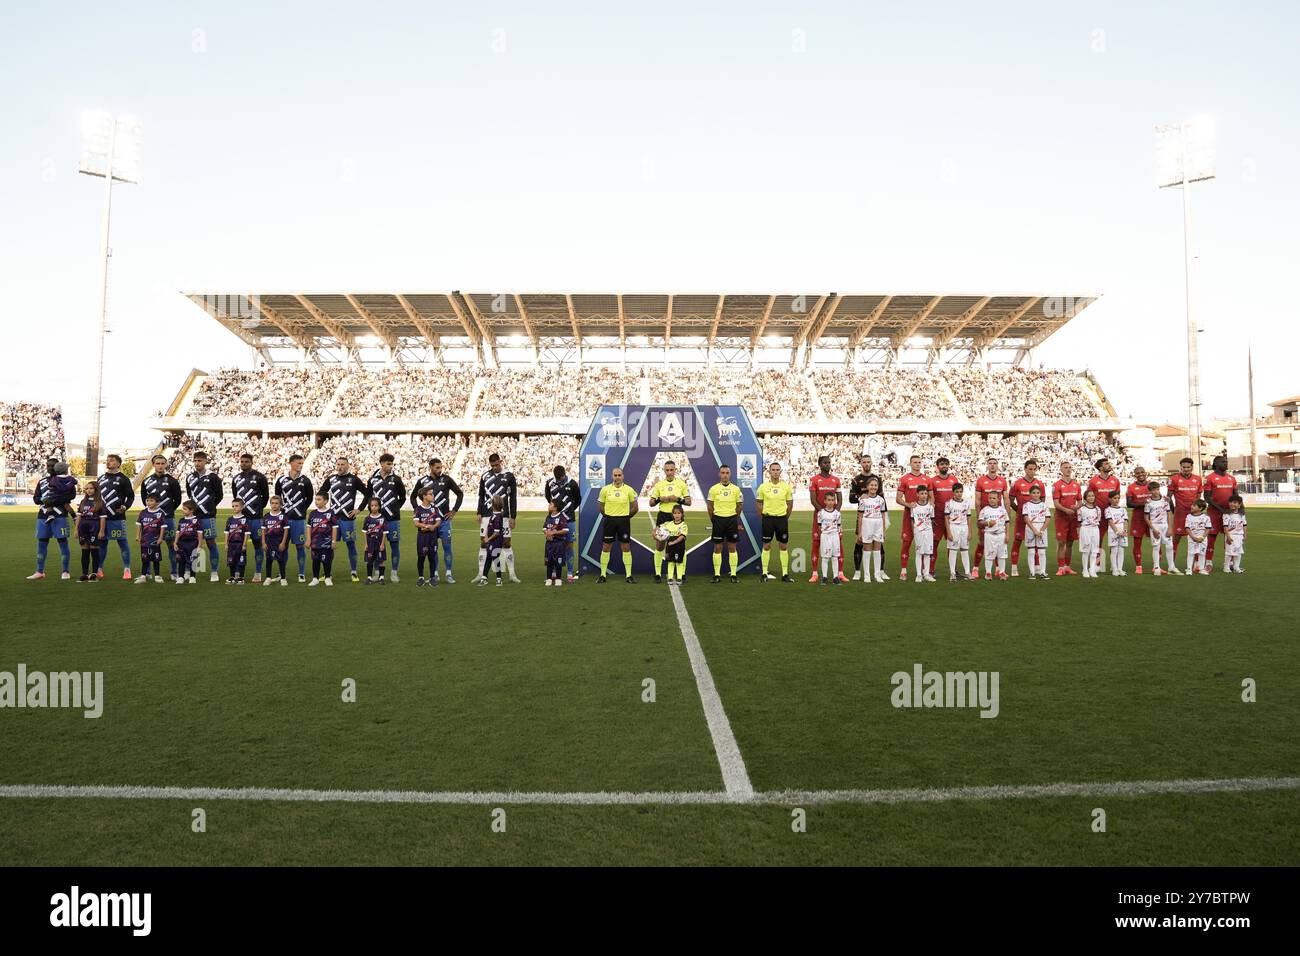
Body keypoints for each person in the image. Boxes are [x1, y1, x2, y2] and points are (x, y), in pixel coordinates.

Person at [410, 457, 463, 584]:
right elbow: (412, 496)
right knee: (432, 548)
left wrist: (454, 510)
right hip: (430, 523)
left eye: (441, 467)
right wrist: (416, 510)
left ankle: (449, 573)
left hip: (444, 520)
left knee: (447, 547)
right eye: (437, 467)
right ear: (431, 467)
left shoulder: (446, 479)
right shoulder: (422, 481)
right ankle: (435, 574)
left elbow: (459, 493)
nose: (440, 470)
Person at [322, 455, 371, 583]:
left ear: (348, 465)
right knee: (329, 546)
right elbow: (322, 493)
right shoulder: (331, 479)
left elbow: (367, 494)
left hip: (348, 519)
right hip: (332, 520)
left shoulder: (354, 479)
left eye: (343, 464)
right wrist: (325, 509)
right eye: (338, 464)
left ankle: (353, 572)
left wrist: (359, 509)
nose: (340, 467)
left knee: (351, 544)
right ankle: (328, 573)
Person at [29, 458, 78, 581]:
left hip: (60, 515)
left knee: (62, 543)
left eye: (52, 465)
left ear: (57, 467)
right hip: (43, 516)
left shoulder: (67, 481)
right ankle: (40, 571)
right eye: (47, 465)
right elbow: (36, 499)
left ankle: (65, 571)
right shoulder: (42, 481)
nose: (49, 467)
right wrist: (43, 500)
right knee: (42, 544)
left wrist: (53, 501)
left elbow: (71, 496)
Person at [476, 453, 519, 583]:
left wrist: (513, 516)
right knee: (484, 543)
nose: (495, 467)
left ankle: (512, 574)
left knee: (506, 543)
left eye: (497, 464)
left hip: (503, 516)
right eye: (492, 465)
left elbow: (513, 498)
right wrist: (479, 512)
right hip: (486, 515)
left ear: (501, 461)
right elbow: (481, 495)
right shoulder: (485, 476)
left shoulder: (509, 476)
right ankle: (480, 573)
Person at [140, 454, 183, 581]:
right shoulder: (146, 481)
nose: (160, 466)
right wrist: (152, 512)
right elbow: (144, 499)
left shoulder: (172, 481)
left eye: (162, 463)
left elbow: (178, 499)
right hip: (150, 520)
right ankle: (146, 572)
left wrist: (167, 511)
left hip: (168, 518)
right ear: (153, 465)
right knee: (148, 545)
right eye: (157, 463)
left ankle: (174, 572)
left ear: (166, 464)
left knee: (171, 545)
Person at [649, 461, 691, 584]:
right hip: (663, 516)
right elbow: (651, 503)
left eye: (671, 470)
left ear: (675, 470)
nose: (669, 472)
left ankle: (682, 574)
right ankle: (657, 574)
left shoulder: (681, 484)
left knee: (680, 545)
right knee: (660, 545)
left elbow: (688, 502)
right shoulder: (659, 485)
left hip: (677, 517)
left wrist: (677, 499)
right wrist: (658, 499)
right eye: (667, 470)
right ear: (664, 470)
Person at [185, 449, 224, 582]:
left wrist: (209, 507)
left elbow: (219, 495)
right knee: (194, 543)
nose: (197, 463)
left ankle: (214, 571)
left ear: (205, 461)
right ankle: (196, 569)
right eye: (195, 460)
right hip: (194, 517)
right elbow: (190, 495)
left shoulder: (213, 477)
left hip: (208, 516)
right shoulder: (190, 476)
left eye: (200, 460)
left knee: (211, 542)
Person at [367, 453, 407, 583]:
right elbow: (369, 497)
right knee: (375, 546)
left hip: (392, 519)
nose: (390, 466)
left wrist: (395, 509)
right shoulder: (373, 479)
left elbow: (403, 497)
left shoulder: (396, 479)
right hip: (376, 520)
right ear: (382, 464)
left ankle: (394, 572)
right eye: (388, 464)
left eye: (392, 464)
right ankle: (377, 572)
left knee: (394, 545)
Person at [275, 454, 314, 583]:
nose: (300, 465)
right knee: (283, 546)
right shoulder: (281, 480)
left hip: (299, 519)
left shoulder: (306, 480)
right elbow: (277, 497)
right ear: (290, 463)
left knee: (300, 546)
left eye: (302, 463)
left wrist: (301, 510)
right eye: (298, 463)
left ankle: (301, 573)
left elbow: (309, 498)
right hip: (284, 519)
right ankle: (282, 573)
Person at [847, 454, 888, 577]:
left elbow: (882, 497)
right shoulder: (856, 479)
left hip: (876, 516)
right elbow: (851, 498)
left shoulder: (877, 479)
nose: (866, 464)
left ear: (871, 463)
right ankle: (858, 571)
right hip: (864, 516)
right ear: (861, 464)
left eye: (868, 462)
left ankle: (881, 571)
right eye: (864, 462)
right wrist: (861, 497)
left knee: (879, 543)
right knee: (860, 542)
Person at [231, 453, 270, 582]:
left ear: (252, 462)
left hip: (255, 518)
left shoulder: (260, 477)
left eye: (246, 461)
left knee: (257, 544)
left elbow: (265, 496)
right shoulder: (236, 478)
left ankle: (258, 572)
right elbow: (235, 496)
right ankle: (237, 572)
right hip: (240, 519)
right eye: (242, 461)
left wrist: (257, 509)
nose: (243, 463)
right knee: (238, 545)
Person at [96, 453, 135, 580]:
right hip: (101, 517)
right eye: (107, 461)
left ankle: (127, 569)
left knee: (122, 542)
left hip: (117, 517)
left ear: (118, 464)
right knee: (102, 543)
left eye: (112, 461)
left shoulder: (123, 479)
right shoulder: (101, 478)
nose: (108, 462)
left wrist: (125, 507)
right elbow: (96, 496)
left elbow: (130, 496)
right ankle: (99, 569)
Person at [596, 467, 637, 583]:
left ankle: (629, 575)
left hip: (624, 521)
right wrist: (609, 516)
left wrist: (626, 517)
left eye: (619, 475)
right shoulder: (605, 490)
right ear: (612, 476)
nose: (617, 477)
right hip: (610, 521)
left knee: (626, 547)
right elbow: (601, 507)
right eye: (615, 475)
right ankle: (602, 575)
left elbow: (635, 507)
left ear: (623, 476)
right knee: (606, 547)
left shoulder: (629, 490)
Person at [756, 460, 794, 583]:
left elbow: (789, 503)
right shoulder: (763, 487)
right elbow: (758, 503)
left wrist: (785, 517)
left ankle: (785, 574)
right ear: (769, 472)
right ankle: (764, 573)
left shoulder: (786, 486)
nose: (775, 472)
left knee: (783, 546)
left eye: (778, 470)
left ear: (780, 472)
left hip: (781, 519)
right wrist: (763, 517)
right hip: (768, 519)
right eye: (773, 470)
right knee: (766, 546)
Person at [1007, 459, 1046, 578]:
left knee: (1036, 541)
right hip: (1021, 519)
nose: (1032, 471)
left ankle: (1037, 567)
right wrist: (1019, 510)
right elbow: (1010, 499)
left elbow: (1042, 501)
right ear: (1025, 469)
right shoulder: (1017, 483)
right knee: (1018, 540)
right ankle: (1014, 567)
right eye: (1030, 469)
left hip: (1035, 520)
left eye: (1034, 469)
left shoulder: (1040, 484)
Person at [808, 456, 844, 583]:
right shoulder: (814, 480)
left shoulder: (836, 480)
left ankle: (839, 573)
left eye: (829, 462)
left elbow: (840, 499)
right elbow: (813, 500)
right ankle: (815, 573)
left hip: (833, 519)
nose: (827, 465)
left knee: (838, 544)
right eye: (825, 463)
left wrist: (835, 513)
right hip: (819, 516)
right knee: (816, 543)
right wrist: (823, 513)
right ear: (820, 464)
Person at [544, 465, 581, 582]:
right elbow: (548, 497)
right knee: (554, 545)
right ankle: (554, 571)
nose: (560, 480)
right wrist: (556, 511)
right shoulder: (549, 483)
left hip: (569, 519)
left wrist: (568, 510)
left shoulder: (572, 483)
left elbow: (578, 499)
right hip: (554, 519)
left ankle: (570, 572)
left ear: (565, 474)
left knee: (569, 545)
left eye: (562, 478)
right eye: (558, 478)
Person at [972, 458, 1008, 579]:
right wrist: (978, 517)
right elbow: (977, 500)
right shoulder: (981, 480)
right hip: (985, 515)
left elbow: (1006, 499)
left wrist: (1007, 514)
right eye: (990, 464)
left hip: (998, 515)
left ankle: (998, 569)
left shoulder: (1002, 481)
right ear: (987, 466)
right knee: (982, 543)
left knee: (999, 542)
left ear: (997, 466)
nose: (992, 466)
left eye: (994, 464)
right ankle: (975, 569)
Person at [707, 464, 743, 583]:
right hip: (718, 520)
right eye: (723, 473)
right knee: (718, 547)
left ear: (730, 474)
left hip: (731, 520)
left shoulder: (736, 489)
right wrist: (714, 519)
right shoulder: (713, 489)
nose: (725, 475)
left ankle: (733, 574)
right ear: (719, 474)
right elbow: (710, 506)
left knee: (732, 547)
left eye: (727, 473)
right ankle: (717, 575)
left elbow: (739, 505)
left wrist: (734, 518)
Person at [895, 454, 929, 581]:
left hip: (923, 518)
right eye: (915, 462)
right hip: (909, 517)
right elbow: (898, 498)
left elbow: (931, 497)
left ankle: (925, 572)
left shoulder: (927, 479)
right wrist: (908, 504)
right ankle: (903, 570)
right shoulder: (904, 479)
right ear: (910, 464)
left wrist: (928, 509)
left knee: (924, 544)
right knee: (907, 542)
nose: (917, 464)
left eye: (919, 462)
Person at [1202, 456, 1239, 570]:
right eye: (1223, 462)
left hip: (1229, 513)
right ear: (1216, 464)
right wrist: (1221, 509)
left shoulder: (1232, 478)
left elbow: (1236, 496)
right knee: (1211, 537)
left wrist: (1239, 509)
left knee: (1230, 537)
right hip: (1214, 513)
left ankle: (1231, 563)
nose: (1226, 463)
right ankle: (1208, 562)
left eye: (1226, 461)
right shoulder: (1209, 478)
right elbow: (1207, 498)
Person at [1086, 459, 1121, 575]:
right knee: (1098, 540)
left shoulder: (1115, 481)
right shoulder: (1093, 481)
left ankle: (1114, 565)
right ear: (1100, 468)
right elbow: (1088, 497)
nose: (1109, 465)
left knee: (1115, 539)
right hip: (1099, 515)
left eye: (1108, 463)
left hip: (1112, 514)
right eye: (1106, 464)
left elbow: (1117, 497)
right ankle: (1097, 563)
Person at [1166, 457, 1203, 566]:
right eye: (1184, 467)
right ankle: (1171, 564)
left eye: (1188, 467)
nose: (1186, 469)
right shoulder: (1174, 479)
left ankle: (1197, 564)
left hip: (1194, 515)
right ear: (1180, 467)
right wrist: (1174, 510)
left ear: (1192, 467)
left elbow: (1199, 496)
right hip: (1180, 514)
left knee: (1196, 537)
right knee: (1176, 538)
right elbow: (1169, 497)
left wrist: (1198, 510)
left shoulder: (1198, 479)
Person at [928, 456, 959, 578]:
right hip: (938, 518)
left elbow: (958, 496)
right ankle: (930, 570)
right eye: (942, 464)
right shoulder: (932, 481)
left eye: (946, 464)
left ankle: (953, 570)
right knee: (934, 544)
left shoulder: (954, 479)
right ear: (937, 466)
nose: (944, 466)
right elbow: (931, 499)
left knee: (952, 544)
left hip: (952, 518)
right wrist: (932, 516)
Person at [856, 474, 889, 583]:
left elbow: (883, 515)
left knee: (877, 550)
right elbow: (860, 516)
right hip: (867, 524)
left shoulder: (881, 500)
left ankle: (877, 575)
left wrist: (884, 530)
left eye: (875, 485)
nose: (873, 487)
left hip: (878, 525)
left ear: (878, 487)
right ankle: (867, 575)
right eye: (871, 485)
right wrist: (860, 532)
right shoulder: (863, 500)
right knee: (866, 550)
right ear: (867, 486)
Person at [1052, 461, 1082, 576]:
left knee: (1070, 543)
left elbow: (1080, 501)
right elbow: (1055, 503)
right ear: (1061, 470)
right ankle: (1060, 567)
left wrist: (1077, 507)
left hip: (1073, 517)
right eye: (1065, 467)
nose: (1068, 469)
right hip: (1061, 517)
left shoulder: (1076, 485)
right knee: (1061, 542)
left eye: (1070, 467)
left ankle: (1067, 566)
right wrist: (1065, 510)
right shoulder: (1057, 485)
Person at [75, 481, 107, 582]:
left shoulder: (100, 502)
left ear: (96, 490)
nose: (88, 490)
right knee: (84, 551)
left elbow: (102, 518)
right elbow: (79, 516)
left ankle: (94, 574)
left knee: (94, 551)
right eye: (87, 488)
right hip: (83, 528)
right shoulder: (83, 502)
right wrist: (76, 529)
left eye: (91, 488)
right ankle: (84, 574)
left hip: (95, 527)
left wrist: (101, 531)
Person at [1143, 481, 1177, 575]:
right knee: (1156, 546)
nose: (1156, 491)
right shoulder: (1148, 503)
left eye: (1157, 489)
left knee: (1170, 545)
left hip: (1165, 525)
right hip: (1155, 526)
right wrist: (1153, 529)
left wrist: (1170, 528)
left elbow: (1169, 514)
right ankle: (1156, 567)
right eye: (1154, 490)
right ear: (1150, 491)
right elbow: (1146, 517)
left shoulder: (1165, 501)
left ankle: (1171, 567)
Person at [306, 492, 338, 586]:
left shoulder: (331, 513)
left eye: (319, 500)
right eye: (316, 499)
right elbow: (308, 527)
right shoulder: (313, 513)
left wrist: (333, 541)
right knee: (315, 560)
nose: (316, 501)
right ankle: (315, 578)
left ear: (326, 501)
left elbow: (334, 527)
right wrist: (308, 539)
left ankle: (327, 577)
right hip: (315, 542)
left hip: (326, 542)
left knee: (326, 560)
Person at [413, 486, 443, 587]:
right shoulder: (418, 509)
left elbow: (439, 521)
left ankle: (432, 578)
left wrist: (433, 527)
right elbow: (416, 523)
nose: (433, 495)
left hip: (433, 537)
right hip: (422, 537)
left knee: (432, 557)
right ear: (424, 496)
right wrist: (426, 526)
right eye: (430, 494)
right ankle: (421, 577)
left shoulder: (435, 508)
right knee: (421, 557)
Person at [134, 492, 166, 584]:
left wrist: (160, 538)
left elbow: (163, 527)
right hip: (144, 540)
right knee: (144, 559)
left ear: (157, 502)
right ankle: (143, 576)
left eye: (151, 500)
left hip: (155, 541)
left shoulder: (160, 513)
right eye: (147, 500)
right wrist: (137, 536)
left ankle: (157, 576)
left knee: (156, 559)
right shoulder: (143, 512)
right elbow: (139, 525)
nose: (148, 502)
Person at [1125, 466, 1152, 574]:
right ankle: (1138, 566)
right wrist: (1143, 504)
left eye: (1142, 472)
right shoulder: (1131, 487)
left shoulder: (1152, 485)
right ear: (1134, 475)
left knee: (1156, 541)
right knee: (1137, 542)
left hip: (1152, 518)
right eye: (1137, 473)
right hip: (1138, 518)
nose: (1140, 474)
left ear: (1145, 473)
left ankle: (1157, 565)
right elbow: (1129, 503)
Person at [978, 488, 1010, 581]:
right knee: (989, 554)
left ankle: (1002, 572)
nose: (992, 500)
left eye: (994, 498)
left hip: (1001, 535)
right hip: (989, 535)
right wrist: (988, 523)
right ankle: (988, 573)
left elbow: (1007, 522)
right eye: (990, 498)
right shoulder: (985, 510)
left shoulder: (1002, 510)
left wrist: (1007, 535)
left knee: (1002, 555)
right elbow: (980, 522)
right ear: (988, 499)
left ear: (998, 499)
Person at [1021, 484, 1051, 580]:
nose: (1035, 494)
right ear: (1030, 494)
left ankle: (1042, 572)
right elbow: (1026, 518)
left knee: (1042, 552)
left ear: (1040, 494)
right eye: (1033, 493)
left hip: (1042, 527)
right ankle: (1032, 572)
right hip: (1031, 527)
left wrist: (1041, 530)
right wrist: (1034, 530)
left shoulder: (1044, 505)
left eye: (1037, 493)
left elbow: (1048, 519)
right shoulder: (1026, 505)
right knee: (1031, 551)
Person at [814, 490, 844, 586]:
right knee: (825, 557)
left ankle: (835, 577)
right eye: (829, 500)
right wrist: (823, 534)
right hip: (825, 536)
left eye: (832, 500)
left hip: (834, 536)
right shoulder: (821, 513)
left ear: (835, 501)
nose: (831, 502)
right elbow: (819, 526)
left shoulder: (837, 513)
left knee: (835, 557)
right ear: (825, 501)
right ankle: (824, 577)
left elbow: (839, 526)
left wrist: (838, 534)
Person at [944, 481, 972, 581]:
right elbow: (946, 518)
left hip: (964, 527)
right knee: (953, 550)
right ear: (953, 492)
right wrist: (949, 532)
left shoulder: (966, 503)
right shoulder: (949, 504)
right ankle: (952, 573)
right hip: (953, 527)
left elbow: (969, 518)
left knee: (965, 550)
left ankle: (968, 572)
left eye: (960, 491)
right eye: (957, 492)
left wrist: (970, 532)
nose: (959, 494)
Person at [477, 495, 507, 588]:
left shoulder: (498, 517)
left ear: (493, 504)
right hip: (492, 541)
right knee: (489, 558)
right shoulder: (494, 515)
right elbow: (490, 527)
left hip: (496, 541)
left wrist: (488, 539)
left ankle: (498, 579)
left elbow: (497, 532)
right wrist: (486, 535)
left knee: (495, 558)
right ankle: (484, 577)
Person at [261, 496, 291, 586]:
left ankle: (283, 578)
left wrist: (283, 543)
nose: (274, 505)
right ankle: (268, 578)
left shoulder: (283, 516)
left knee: (281, 560)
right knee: (269, 559)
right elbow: (263, 530)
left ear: (280, 505)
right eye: (272, 503)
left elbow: (286, 530)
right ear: (270, 504)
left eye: (276, 503)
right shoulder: (266, 516)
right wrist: (263, 542)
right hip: (269, 541)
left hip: (279, 541)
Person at [910, 485, 936, 583]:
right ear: (917, 494)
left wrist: (932, 531)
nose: (924, 495)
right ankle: (919, 575)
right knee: (919, 552)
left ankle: (926, 574)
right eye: (921, 493)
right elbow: (912, 520)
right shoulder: (914, 506)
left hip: (928, 531)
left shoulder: (930, 506)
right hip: (919, 532)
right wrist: (914, 531)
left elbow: (932, 520)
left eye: (925, 493)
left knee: (927, 553)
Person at [174, 501, 203, 584]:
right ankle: (180, 577)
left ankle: (192, 577)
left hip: (193, 543)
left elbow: (200, 533)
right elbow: (178, 532)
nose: (182, 510)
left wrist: (199, 545)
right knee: (181, 561)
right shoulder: (181, 520)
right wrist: (175, 542)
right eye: (183, 508)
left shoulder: (197, 520)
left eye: (185, 509)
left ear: (192, 510)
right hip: (181, 544)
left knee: (193, 561)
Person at [1076, 489, 1102, 579]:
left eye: (1093, 496)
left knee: (1094, 551)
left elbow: (1098, 520)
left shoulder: (1098, 509)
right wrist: (1079, 532)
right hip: (1085, 529)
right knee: (1086, 550)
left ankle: (1092, 569)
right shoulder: (1081, 509)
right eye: (1089, 496)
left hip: (1095, 529)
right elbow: (1079, 522)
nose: (1091, 498)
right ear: (1085, 498)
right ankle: (1085, 569)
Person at [542, 499, 569, 587]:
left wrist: (553, 533)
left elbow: (565, 530)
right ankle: (549, 578)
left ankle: (558, 579)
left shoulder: (561, 517)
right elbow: (544, 528)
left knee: (558, 562)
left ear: (555, 508)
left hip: (559, 544)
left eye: (551, 504)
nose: (549, 505)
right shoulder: (548, 517)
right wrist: (547, 534)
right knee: (549, 561)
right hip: (549, 544)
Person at [661, 504, 689, 586]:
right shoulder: (668, 524)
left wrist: (673, 542)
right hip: (669, 547)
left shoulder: (683, 525)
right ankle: (670, 577)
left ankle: (679, 578)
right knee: (670, 562)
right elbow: (659, 529)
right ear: (672, 514)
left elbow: (682, 537)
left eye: (679, 513)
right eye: (675, 513)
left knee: (679, 562)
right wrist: (657, 535)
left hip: (679, 546)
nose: (677, 515)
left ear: (682, 514)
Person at [362, 499, 388, 585]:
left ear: (379, 506)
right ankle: (369, 577)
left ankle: (381, 577)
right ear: (369, 507)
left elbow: (384, 532)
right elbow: (365, 532)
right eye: (372, 505)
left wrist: (382, 544)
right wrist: (366, 544)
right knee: (370, 560)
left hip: (379, 543)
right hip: (370, 543)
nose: (374, 507)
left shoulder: (382, 518)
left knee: (381, 561)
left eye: (376, 505)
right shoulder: (367, 519)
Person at [225, 498, 250, 584]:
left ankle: (241, 577)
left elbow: (246, 533)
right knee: (231, 560)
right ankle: (232, 577)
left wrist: (244, 544)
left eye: (236, 506)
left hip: (240, 544)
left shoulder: (245, 519)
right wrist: (226, 544)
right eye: (233, 506)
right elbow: (226, 532)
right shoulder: (230, 519)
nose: (234, 508)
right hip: (231, 544)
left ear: (242, 507)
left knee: (241, 561)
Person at [1104, 490, 1128, 577]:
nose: (1117, 500)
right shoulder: (1108, 510)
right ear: (1110, 499)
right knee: (1114, 550)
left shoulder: (1123, 509)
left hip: (1122, 531)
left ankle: (1120, 569)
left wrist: (1125, 531)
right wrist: (1117, 532)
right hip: (1113, 531)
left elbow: (1125, 521)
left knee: (1121, 550)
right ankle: (1114, 569)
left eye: (1118, 498)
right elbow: (1110, 521)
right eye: (1114, 498)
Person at [1185, 499, 1212, 575]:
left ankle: (1201, 569)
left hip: (1202, 539)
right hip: (1192, 538)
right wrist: (1193, 537)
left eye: (1194, 505)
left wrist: (1202, 537)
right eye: (1192, 505)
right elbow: (1187, 528)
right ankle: (1189, 569)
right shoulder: (1188, 516)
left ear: (1200, 508)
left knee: (1202, 553)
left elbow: (1208, 528)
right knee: (1191, 553)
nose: (1192, 506)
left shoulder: (1206, 517)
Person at [1222, 494, 1247, 573]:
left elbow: (1244, 525)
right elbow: (1225, 527)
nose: (1232, 504)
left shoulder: (1241, 514)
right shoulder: (1226, 514)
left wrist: (1245, 535)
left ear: (1239, 505)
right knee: (1229, 552)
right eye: (1231, 502)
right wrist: (1228, 536)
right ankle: (1226, 568)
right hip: (1231, 535)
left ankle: (1236, 567)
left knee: (1239, 552)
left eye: (1235, 502)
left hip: (1239, 536)